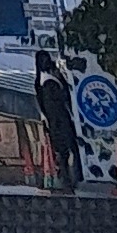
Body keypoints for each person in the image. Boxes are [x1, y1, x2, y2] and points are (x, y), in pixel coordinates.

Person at [37, 49, 82, 193]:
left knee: (66, 151)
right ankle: (68, 180)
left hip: (59, 120)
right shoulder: (47, 82)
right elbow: (56, 103)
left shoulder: (46, 79)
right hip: (59, 121)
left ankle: (69, 179)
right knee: (66, 151)